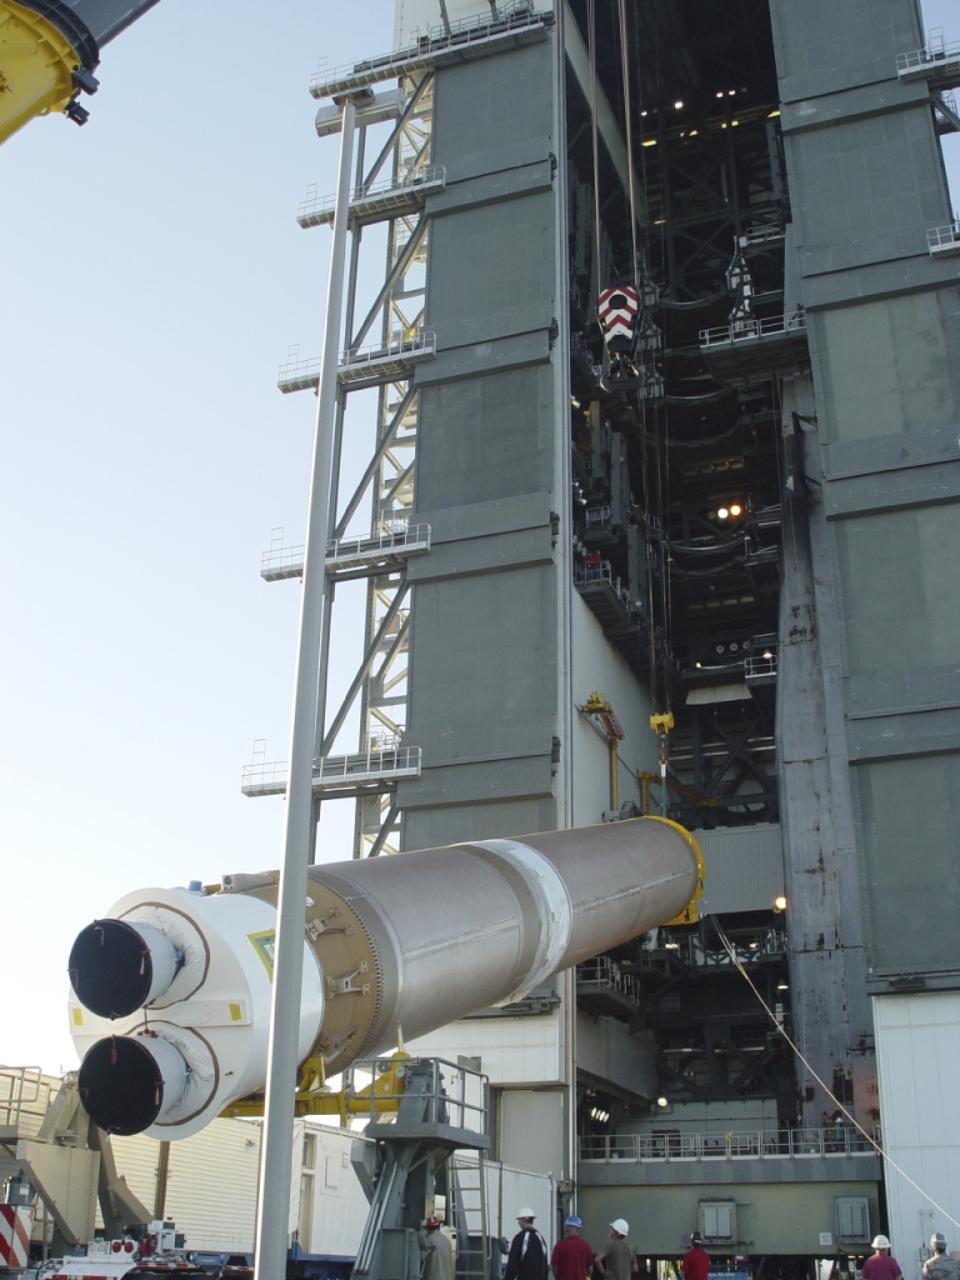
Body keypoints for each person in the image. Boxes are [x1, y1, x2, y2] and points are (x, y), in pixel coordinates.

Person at [504, 1207, 548, 1280]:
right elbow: (545, 1264)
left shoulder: (520, 1238)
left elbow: (512, 1264)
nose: (518, 1223)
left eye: (519, 1220)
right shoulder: (540, 1238)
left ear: (524, 1220)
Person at [551, 1215, 594, 1280]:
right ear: (579, 1229)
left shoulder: (559, 1245)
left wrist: (558, 1277)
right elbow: (590, 1268)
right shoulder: (586, 1246)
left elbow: (554, 1267)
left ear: (566, 1228)